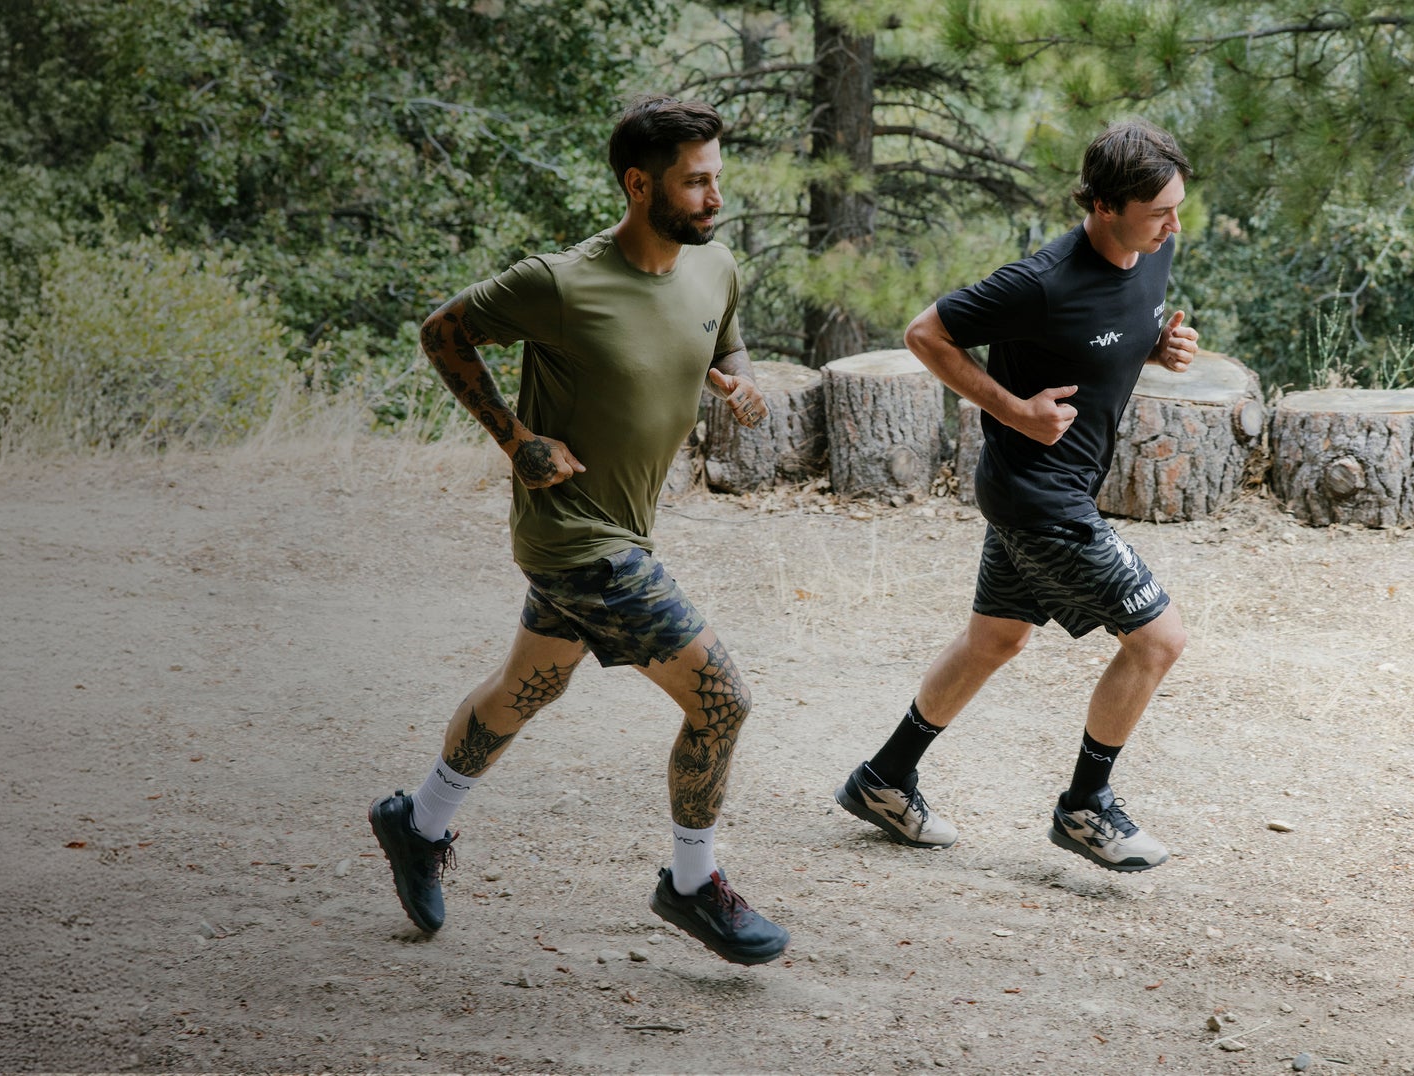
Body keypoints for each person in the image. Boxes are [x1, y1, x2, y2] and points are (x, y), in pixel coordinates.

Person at [367, 95, 789, 964]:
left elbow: (723, 348)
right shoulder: (559, 283)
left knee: (528, 688)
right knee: (722, 702)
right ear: (640, 186)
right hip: (578, 537)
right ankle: (689, 884)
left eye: (718, 179)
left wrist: (735, 384)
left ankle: (419, 821)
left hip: (624, 530)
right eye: (696, 182)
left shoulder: (715, 269)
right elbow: (442, 332)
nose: (716, 198)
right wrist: (515, 439)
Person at [834, 119, 1199, 873]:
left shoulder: (1154, 250)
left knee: (995, 640)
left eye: (1177, 207)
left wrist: (1161, 345)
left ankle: (883, 779)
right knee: (1158, 640)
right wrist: (1012, 409)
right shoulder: (1041, 281)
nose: (1173, 224)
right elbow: (924, 333)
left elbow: (1122, 327)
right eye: (1159, 210)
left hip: (1039, 491)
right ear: (1103, 205)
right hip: (1039, 497)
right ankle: (1084, 807)